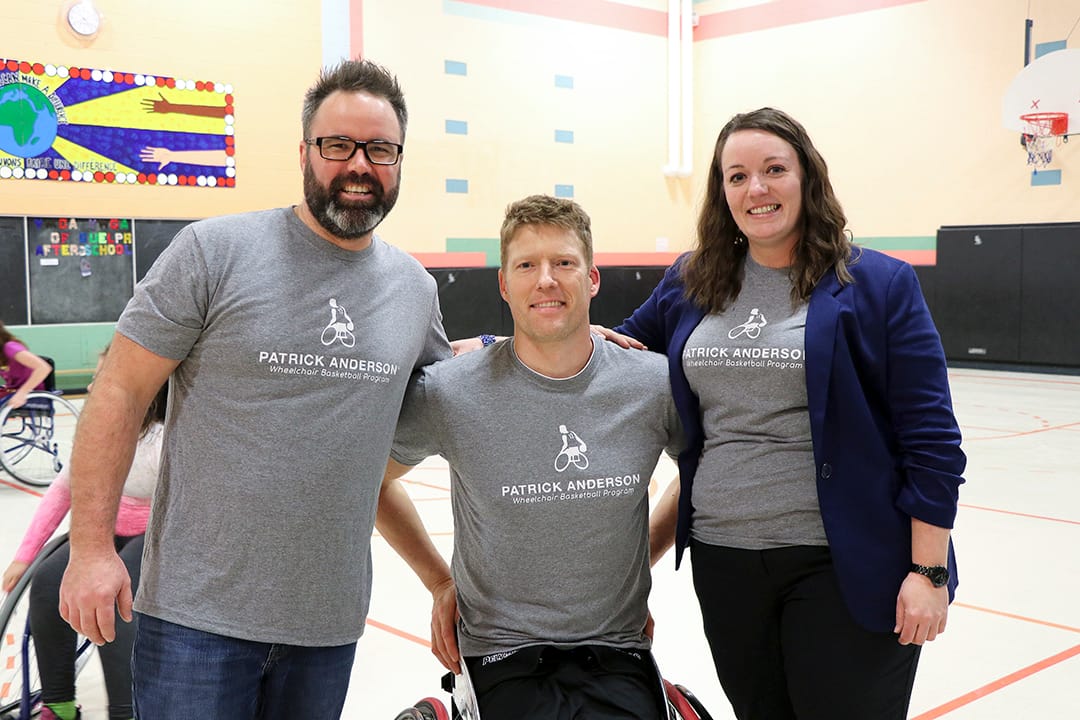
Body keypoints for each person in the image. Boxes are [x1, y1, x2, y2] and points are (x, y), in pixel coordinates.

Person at [57, 59, 451, 720]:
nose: (359, 164)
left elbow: (447, 393)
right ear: (304, 153)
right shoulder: (213, 252)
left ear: (399, 160)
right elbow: (118, 390)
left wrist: (572, 343)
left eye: (380, 149)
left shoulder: (415, 291)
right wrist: (91, 548)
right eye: (338, 145)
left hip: (326, 628)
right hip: (195, 622)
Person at [597, 107, 966, 720]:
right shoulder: (692, 280)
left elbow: (931, 440)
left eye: (774, 170)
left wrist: (928, 571)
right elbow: (613, 354)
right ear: (722, 191)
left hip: (842, 564)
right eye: (737, 176)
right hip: (725, 561)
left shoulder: (879, 284)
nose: (756, 188)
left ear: (807, 177)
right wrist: (493, 349)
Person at [377, 194, 684, 720]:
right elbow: (371, 482)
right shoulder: (451, 393)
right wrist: (439, 581)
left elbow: (701, 477)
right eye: (526, 266)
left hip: (617, 647)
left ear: (592, 279)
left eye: (563, 263)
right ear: (504, 284)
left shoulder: (652, 385)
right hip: (501, 652)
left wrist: (638, 567)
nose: (546, 280)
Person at [2, 349, 167, 720]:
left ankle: (125, 713)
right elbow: (61, 493)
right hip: (107, 534)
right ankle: (59, 706)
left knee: (113, 596)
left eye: (101, 378)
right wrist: (25, 556)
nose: (92, 386)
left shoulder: (162, 439)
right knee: (47, 581)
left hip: (156, 538)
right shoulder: (98, 431)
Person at [0, 320, 52, 410]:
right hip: (12, 391)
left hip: (32, 395)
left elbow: (44, 368)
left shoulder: (10, 347)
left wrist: (22, 393)